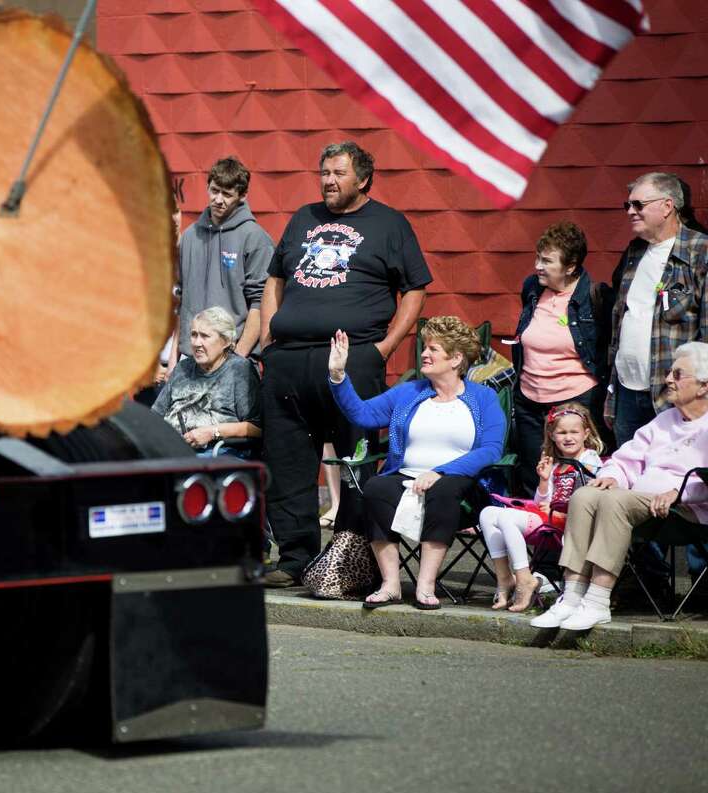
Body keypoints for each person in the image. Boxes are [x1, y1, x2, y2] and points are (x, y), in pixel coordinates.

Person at [259, 141, 431, 587]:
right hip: (289, 360)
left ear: (363, 179)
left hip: (352, 359)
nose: (328, 181)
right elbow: (275, 276)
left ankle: (353, 559)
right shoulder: (303, 217)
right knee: (288, 461)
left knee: (356, 460)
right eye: (324, 173)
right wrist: (268, 333)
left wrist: (384, 348)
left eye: (337, 173)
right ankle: (295, 558)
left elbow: (414, 289)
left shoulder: (390, 224)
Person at [327, 317, 505, 609]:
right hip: (406, 475)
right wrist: (338, 375)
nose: (424, 353)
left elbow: (492, 449)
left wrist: (440, 472)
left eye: (433, 349)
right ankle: (390, 584)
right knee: (376, 487)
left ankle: (426, 584)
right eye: (425, 347)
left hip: (459, 483)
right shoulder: (409, 392)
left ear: (456, 358)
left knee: (443, 490)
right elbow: (362, 415)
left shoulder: (483, 398)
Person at [531, 342, 708, 631]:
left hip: (685, 512)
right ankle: (572, 596)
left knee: (614, 502)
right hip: (642, 505)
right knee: (587, 494)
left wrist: (679, 493)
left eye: (677, 375)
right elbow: (625, 459)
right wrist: (613, 476)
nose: (667, 380)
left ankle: (598, 601)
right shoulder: (665, 420)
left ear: (703, 386)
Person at [607, 172, 708, 445]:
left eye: (638, 205)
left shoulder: (701, 252)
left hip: (675, 397)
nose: (630, 211)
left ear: (667, 206)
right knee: (627, 476)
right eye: (627, 205)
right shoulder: (634, 252)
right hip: (627, 392)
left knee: (671, 480)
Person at [510, 222, 611, 493]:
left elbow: (605, 350)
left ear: (570, 266)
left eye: (546, 260)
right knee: (535, 471)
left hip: (575, 398)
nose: (537, 266)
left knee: (575, 475)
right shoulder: (532, 288)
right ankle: (536, 530)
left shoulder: (594, 297)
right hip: (530, 399)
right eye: (538, 258)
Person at [478, 403, 604, 612]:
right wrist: (544, 481)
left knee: (506, 518)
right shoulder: (554, 463)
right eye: (562, 432)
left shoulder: (588, 459)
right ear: (552, 435)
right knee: (488, 513)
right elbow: (540, 501)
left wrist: (557, 508)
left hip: (571, 522)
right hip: (549, 520)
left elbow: (589, 494)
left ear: (586, 433)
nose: (568, 437)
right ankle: (504, 579)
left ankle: (524, 578)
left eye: (574, 431)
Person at [164, 157, 273, 380]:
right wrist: (174, 358)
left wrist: (239, 358)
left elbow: (260, 304)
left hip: (232, 359)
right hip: (189, 361)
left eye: (227, 194)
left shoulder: (255, 239)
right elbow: (181, 302)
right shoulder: (190, 237)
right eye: (214, 191)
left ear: (242, 196)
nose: (218, 199)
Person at [151, 306, 261, 457]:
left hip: (215, 453)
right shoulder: (183, 367)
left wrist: (212, 432)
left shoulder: (239, 369)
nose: (197, 343)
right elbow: (155, 415)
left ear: (226, 341)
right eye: (194, 335)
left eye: (205, 336)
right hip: (171, 450)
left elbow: (257, 427)